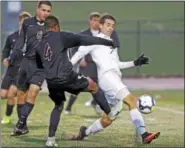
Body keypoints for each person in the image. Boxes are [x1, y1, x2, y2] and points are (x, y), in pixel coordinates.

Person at [69, 14, 160, 144]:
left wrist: (135, 62)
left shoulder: (111, 44)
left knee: (108, 118)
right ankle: (144, 135)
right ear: (100, 25)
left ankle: (85, 132)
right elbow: (79, 53)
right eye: (108, 25)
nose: (111, 28)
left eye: (112, 26)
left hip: (114, 79)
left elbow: (118, 64)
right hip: (107, 77)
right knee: (132, 100)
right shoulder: (93, 40)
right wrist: (66, 68)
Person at [34, 15, 117, 147]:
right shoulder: (61, 36)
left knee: (58, 106)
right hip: (67, 77)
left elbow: (39, 65)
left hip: (52, 81)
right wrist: (107, 42)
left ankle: (50, 139)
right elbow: (84, 39)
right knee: (93, 86)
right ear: (56, 26)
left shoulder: (39, 45)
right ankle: (110, 113)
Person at [64, 12, 121, 115]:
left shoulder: (105, 34)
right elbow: (75, 48)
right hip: (87, 66)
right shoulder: (83, 34)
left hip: (99, 66)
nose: (96, 22)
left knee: (103, 86)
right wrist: (79, 60)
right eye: (94, 20)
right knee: (79, 86)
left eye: (98, 20)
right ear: (90, 21)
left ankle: (96, 104)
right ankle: (68, 108)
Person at [10, 0, 52, 136]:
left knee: (33, 91)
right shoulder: (27, 23)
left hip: (41, 66)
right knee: (21, 93)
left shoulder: (51, 25)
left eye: (48, 11)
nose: (45, 13)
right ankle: (24, 125)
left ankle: (20, 124)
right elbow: (20, 42)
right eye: (43, 10)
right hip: (26, 63)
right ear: (37, 9)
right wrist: (14, 59)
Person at [1, 11, 32, 124]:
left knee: (12, 94)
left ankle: (8, 117)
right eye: (23, 21)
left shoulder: (31, 39)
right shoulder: (12, 37)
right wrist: (4, 58)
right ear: (19, 22)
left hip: (22, 72)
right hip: (10, 70)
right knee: (3, 95)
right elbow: (6, 50)